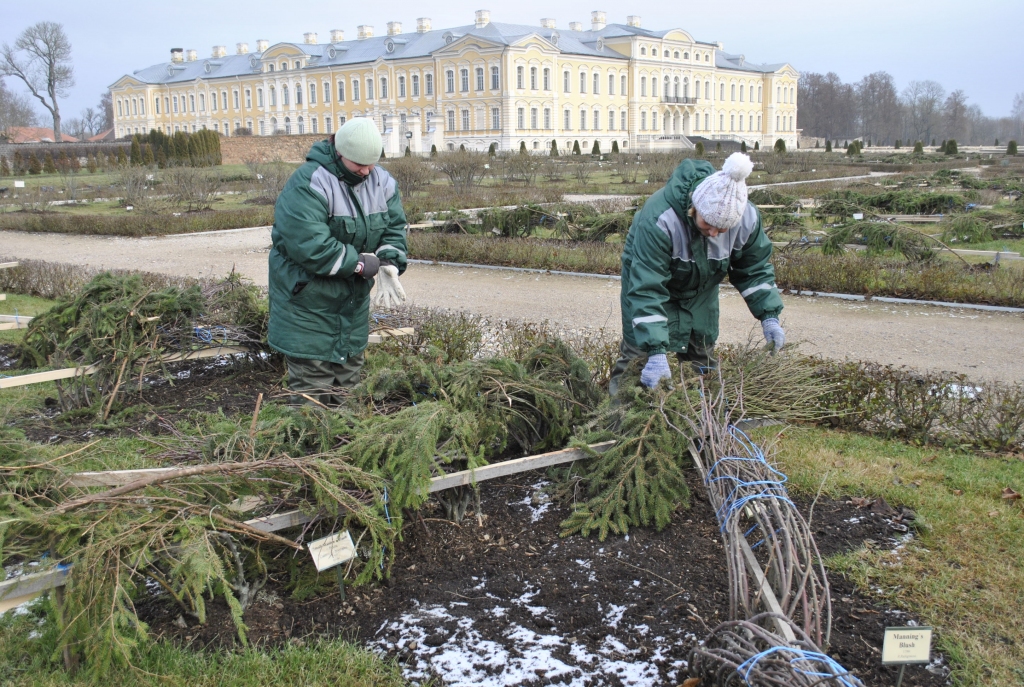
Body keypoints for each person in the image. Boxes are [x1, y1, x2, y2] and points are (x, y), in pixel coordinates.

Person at [609, 152, 785, 396]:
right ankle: (618, 415)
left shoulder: (747, 219)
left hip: (701, 292)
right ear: (694, 207)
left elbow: (754, 270)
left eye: (722, 229)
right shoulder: (659, 219)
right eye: (707, 224)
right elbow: (647, 288)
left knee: (701, 364)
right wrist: (656, 351)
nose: (713, 233)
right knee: (638, 362)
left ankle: (701, 417)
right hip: (649, 286)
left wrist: (769, 315)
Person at [267, 117, 408, 406]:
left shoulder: (382, 182)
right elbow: (311, 245)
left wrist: (388, 261)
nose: (366, 171)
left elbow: (394, 229)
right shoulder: (309, 183)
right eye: (359, 164)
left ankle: (346, 434)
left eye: (372, 164)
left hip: (351, 306)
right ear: (340, 152)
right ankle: (311, 435)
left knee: (348, 388)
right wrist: (360, 264)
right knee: (312, 392)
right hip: (307, 303)